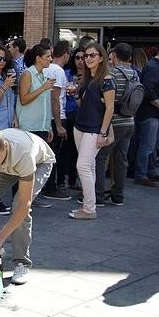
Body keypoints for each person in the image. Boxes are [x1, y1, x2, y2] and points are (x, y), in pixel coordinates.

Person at [0, 129, 55, 285]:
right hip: (6, 168)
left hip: (39, 163)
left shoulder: (22, 153)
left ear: (5, 146)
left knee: (18, 208)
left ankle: (22, 263)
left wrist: (1, 237)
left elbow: (24, 205)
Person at [70, 43, 115, 220]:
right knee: (89, 166)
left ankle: (89, 209)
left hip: (94, 130)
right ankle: (89, 205)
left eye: (92, 55)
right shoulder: (88, 79)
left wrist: (104, 132)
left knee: (82, 166)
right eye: (86, 55)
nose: (88, 59)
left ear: (101, 57)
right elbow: (87, 104)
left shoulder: (106, 80)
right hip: (80, 127)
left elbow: (110, 108)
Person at [94, 43, 137, 206]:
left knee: (101, 157)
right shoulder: (134, 74)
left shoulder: (111, 73)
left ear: (115, 56)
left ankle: (97, 196)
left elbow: (106, 99)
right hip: (129, 121)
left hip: (114, 122)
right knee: (121, 159)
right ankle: (118, 195)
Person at [40, 40, 72, 201]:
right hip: (55, 118)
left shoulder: (45, 69)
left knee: (47, 154)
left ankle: (47, 185)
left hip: (44, 117)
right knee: (54, 155)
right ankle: (51, 187)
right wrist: (59, 125)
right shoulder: (58, 71)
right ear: (66, 54)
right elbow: (55, 98)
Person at [134, 46, 159, 187]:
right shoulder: (153, 67)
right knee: (148, 144)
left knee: (154, 143)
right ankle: (141, 174)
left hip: (155, 113)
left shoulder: (155, 66)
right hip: (150, 113)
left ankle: (150, 171)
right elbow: (148, 90)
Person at [60, 48, 84, 191]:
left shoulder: (90, 76)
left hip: (83, 116)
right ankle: (62, 180)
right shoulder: (66, 74)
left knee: (78, 150)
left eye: (83, 57)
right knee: (65, 149)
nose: (81, 61)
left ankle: (74, 180)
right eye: (78, 58)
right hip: (68, 113)